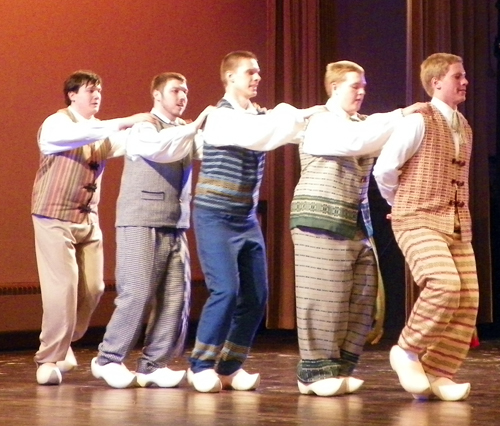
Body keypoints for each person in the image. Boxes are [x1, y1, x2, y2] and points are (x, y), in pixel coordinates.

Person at [187, 50, 325, 393]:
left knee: (257, 296)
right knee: (226, 290)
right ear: (230, 77)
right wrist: (297, 113)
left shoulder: (261, 116)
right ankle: (200, 365)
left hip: (245, 219)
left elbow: (288, 131)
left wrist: (329, 114)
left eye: (258, 72)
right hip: (215, 214)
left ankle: (229, 367)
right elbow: (262, 133)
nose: (257, 77)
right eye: (250, 72)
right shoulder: (221, 117)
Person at [289, 60, 427, 397]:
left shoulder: (364, 124)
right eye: (355, 85)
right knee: (324, 298)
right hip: (318, 219)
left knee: (363, 298)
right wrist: (401, 114)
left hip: (355, 221)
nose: (362, 91)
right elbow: (355, 141)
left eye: (364, 85)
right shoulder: (320, 121)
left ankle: (339, 368)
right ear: (334, 87)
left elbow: (387, 146)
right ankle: (313, 373)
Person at [91, 72, 213, 389]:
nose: (182, 96)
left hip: (175, 222)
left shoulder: (182, 131)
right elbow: (162, 149)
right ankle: (108, 359)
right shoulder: (146, 128)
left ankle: (153, 364)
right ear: (157, 95)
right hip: (140, 218)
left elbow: (208, 149)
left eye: (186, 91)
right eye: (175, 90)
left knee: (177, 297)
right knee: (138, 292)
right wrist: (195, 125)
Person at [32, 70, 154, 385]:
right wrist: (127, 119)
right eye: (89, 90)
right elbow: (74, 137)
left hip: (87, 220)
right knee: (63, 289)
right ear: (72, 95)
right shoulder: (56, 124)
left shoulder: (100, 132)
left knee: (94, 287)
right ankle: (49, 358)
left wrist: (164, 127)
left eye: (99, 89)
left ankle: (65, 340)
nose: (96, 94)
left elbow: (132, 142)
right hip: (54, 217)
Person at [373, 53, 479, 401]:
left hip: (455, 222)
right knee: (444, 283)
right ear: (436, 82)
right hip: (417, 219)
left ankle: (439, 370)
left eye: (464, 77)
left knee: (467, 299)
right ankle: (407, 349)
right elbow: (384, 169)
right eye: (457, 76)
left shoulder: (464, 126)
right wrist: (399, 203)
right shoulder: (418, 120)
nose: (464, 82)